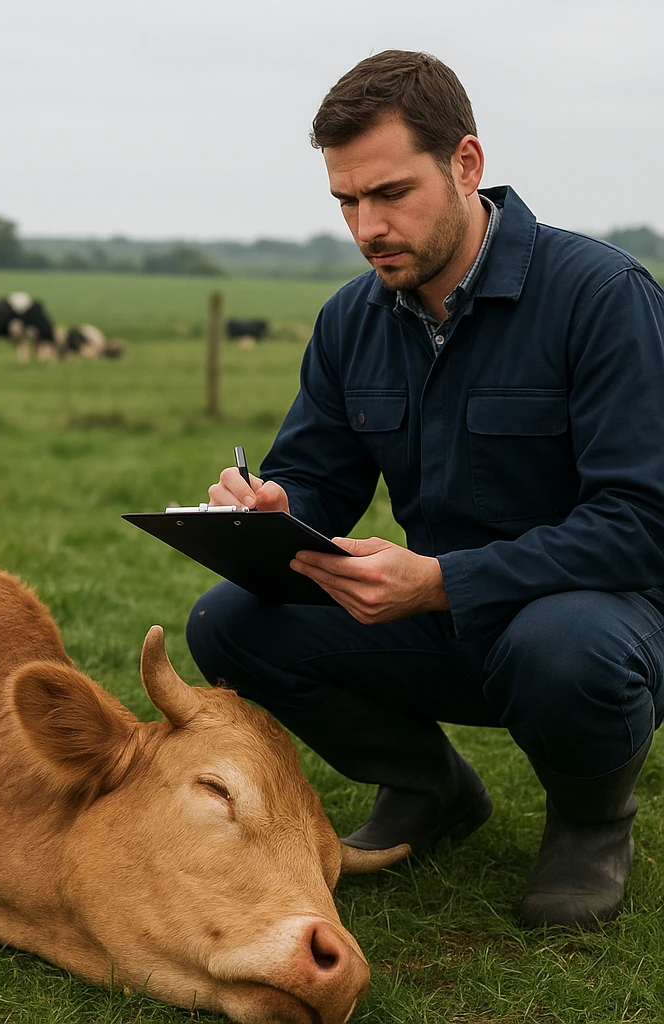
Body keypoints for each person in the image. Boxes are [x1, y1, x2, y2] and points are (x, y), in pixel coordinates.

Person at [185, 49, 664, 929]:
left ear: (466, 164)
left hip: (597, 620)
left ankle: (593, 822)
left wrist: (443, 581)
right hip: (436, 619)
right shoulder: (349, 320)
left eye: (392, 193)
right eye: (346, 202)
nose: (369, 227)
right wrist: (274, 512)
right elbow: (320, 486)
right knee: (229, 620)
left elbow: (642, 526)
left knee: (565, 646)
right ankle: (429, 786)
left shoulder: (602, 296)